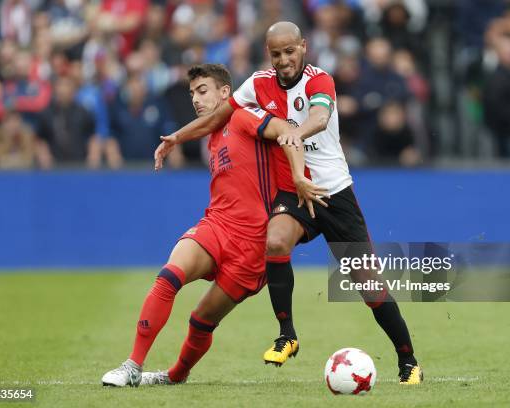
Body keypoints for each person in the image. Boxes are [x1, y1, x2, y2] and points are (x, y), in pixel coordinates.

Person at [155, 22, 423, 384]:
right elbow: (219, 116)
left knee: (369, 286)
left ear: (303, 47)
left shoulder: (319, 80)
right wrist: (176, 136)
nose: (284, 60)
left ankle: (408, 361)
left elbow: (320, 116)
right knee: (276, 241)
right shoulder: (258, 83)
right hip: (293, 190)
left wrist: (293, 133)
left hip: (333, 194)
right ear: (270, 54)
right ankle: (287, 334)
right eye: (277, 54)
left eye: (290, 51)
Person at [101, 63, 324, 387]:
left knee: (201, 320)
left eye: (202, 90)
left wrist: (299, 178)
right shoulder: (212, 135)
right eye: (192, 93)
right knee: (169, 276)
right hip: (217, 226)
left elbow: (285, 132)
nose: (195, 98)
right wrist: (175, 139)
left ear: (225, 93)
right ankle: (133, 365)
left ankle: (176, 376)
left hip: (252, 247)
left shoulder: (243, 116)